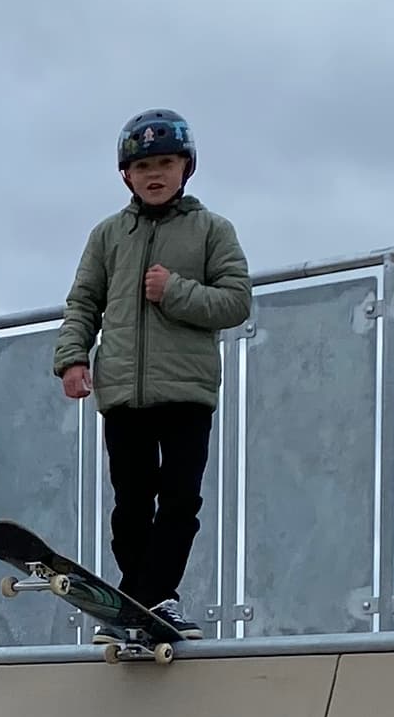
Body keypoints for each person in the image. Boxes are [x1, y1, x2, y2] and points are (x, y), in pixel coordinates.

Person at [54, 107, 254, 625]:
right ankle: (144, 601)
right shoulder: (106, 236)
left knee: (181, 499)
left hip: (187, 390)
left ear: (187, 167)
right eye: (143, 166)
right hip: (122, 390)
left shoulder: (213, 230)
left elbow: (236, 302)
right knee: (131, 503)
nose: (155, 174)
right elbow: (83, 302)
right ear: (126, 175)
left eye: (166, 162)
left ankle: (148, 596)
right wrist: (73, 358)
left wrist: (176, 292)